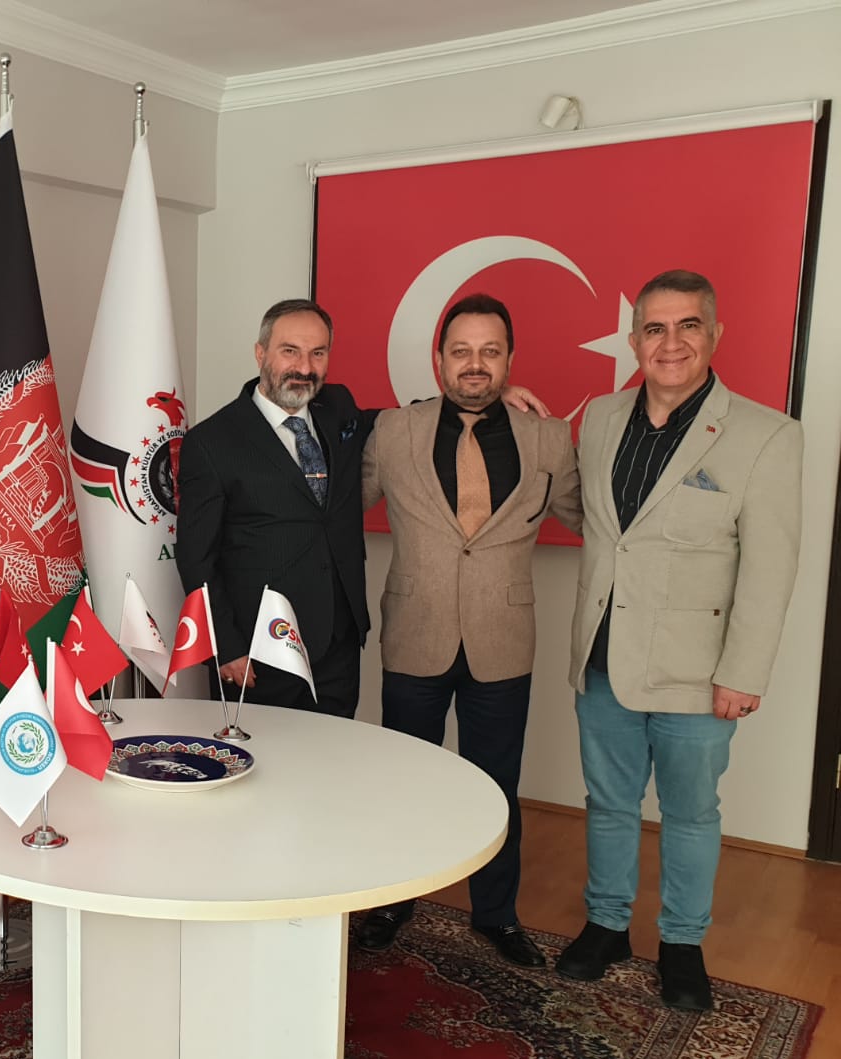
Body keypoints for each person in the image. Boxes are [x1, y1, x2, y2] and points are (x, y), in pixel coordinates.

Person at [556, 269, 802, 1011]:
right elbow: (600, 523)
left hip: (700, 672)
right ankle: (607, 925)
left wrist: (744, 672)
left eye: (688, 325)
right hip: (604, 654)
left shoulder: (766, 435)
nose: (671, 343)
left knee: (691, 812)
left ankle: (682, 942)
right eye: (655, 328)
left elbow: (770, 567)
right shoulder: (601, 416)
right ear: (634, 340)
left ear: (714, 334)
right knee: (608, 801)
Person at [355, 294, 581, 965]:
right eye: (461, 351)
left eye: (489, 352)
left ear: (509, 360)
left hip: (502, 640)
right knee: (406, 779)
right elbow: (338, 500)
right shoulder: (394, 430)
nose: (475, 364)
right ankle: (393, 900)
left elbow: (592, 515)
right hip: (414, 634)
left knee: (497, 783)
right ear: (439, 360)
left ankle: (497, 915)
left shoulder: (548, 438)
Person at [177, 299, 373, 717]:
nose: (305, 367)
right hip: (256, 652)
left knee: (339, 752)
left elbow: (396, 423)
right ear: (260, 352)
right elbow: (196, 558)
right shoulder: (211, 442)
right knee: (259, 756)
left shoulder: (338, 408)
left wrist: (492, 396)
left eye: (318, 353)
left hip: (337, 646)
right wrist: (226, 646)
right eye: (290, 351)